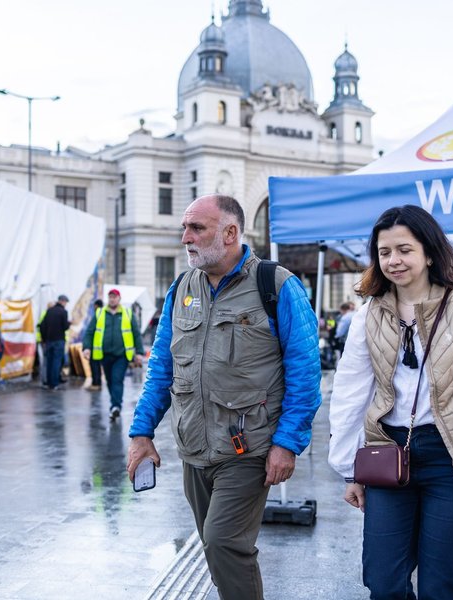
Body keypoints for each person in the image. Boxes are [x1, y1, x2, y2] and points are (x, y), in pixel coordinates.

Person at [127, 194, 321, 600]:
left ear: (230, 233)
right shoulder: (182, 287)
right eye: (185, 227)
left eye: (196, 228)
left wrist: (287, 444)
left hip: (249, 449)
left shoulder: (277, 284)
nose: (186, 237)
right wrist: (141, 433)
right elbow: (162, 365)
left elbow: (305, 374)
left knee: (223, 542)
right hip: (194, 447)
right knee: (218, 552)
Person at [328, 205, 453, 600]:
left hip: (452, 455)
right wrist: (350, 468)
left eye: (404, 249)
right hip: (387, 454)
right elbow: (350, 394)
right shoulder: (369, 316)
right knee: (383, 580)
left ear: (429, 253)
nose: (394, 261)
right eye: (385, 253)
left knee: (441, 584)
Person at [82, 289, 144, 419]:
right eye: (110, 297)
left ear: (119, 299)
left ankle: (116, 406)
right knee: (110, 381)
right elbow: (89, 332)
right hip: (104, 355)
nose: (112, 299)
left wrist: (139, 352)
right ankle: (114, 403)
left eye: (114, 297)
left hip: (121, 355)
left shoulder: (127, 313)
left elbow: (136, 333)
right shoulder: (100, 313)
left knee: (117, 379)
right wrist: (86, 348)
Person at [39, 294, 71, 390]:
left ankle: (49, 382)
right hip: (59, 340)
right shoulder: (63, 312)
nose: (66, 304)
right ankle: (54, 383)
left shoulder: (49, 311)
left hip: (49, 341)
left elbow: (42, 326)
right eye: (65, 302)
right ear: (62, 301)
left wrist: (44, 339)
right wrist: (69, 323)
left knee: (49, 361)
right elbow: (65, 327)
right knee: (56, 362)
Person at [87, 299, 104, 391]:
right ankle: (98, 383)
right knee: (97, 366)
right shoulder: (104, 314)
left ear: (96, 306)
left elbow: (91, 331)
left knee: (94, 366)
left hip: (96, 346)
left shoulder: (98, 313)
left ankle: (96, 383)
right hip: (100, 346)